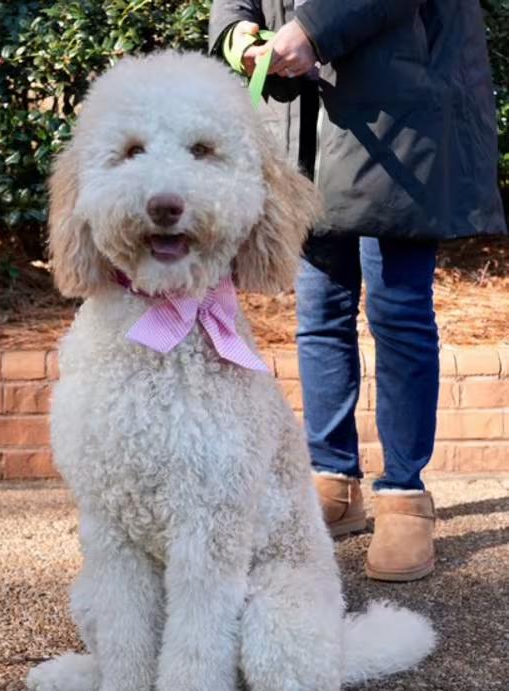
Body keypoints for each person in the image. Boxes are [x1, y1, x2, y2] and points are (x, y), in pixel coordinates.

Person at [209, 1, 506, 581]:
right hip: (301, 123)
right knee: (319, 313)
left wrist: (312, 32)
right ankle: (333, 478)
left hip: (399, 116)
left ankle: (404, 493)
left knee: (398, 313)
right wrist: (236, 33)